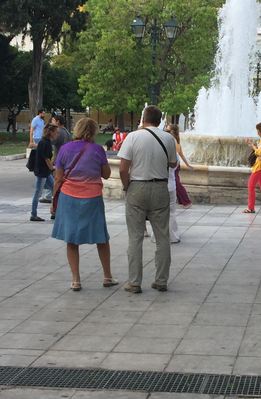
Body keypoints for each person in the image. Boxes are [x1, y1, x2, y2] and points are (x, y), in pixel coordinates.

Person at [51, 118, 117, 291]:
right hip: (92, 198)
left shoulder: (64, 149)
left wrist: (53, 200)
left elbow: (58, 178)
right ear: (94, 131)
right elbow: (107, 174)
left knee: (71, 239)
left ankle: (76, 279)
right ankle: (107, 276)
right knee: (101, 237)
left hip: (69, 197)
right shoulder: (97, 150)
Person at [118, 105, 177, 294]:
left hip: (137, 186)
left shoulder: (133, 137)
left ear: (143, 118)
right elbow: (173, 163)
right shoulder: (168, 138)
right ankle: (161, 280)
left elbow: (122, 168)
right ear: (160, 120)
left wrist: (128, 187)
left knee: (135, 237)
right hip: (160, 187)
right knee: (162, 237)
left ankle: (134, 282)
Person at [30, 123, 58, 221]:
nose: (57, 134)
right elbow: (46, 159)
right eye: (56, 132)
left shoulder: (46, 142)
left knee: (55, 189)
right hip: (42, 172)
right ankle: (33, 214)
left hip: (45, 172)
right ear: (51, 132)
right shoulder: (45, 142)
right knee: (38, 192)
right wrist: (53, 170)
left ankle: (55, 211)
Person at [166, 124, 194, 209]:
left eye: (167, 130)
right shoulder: (176, 141)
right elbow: (182, 155)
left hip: (174, 166)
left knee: (177, 184)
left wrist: (188, 165)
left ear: (172, 132)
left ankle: (186, 201)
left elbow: (179, 155)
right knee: (176, 184)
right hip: (176, 166)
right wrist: (188, 165)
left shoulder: (172, 141)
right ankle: (182, 201)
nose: (165, 132)